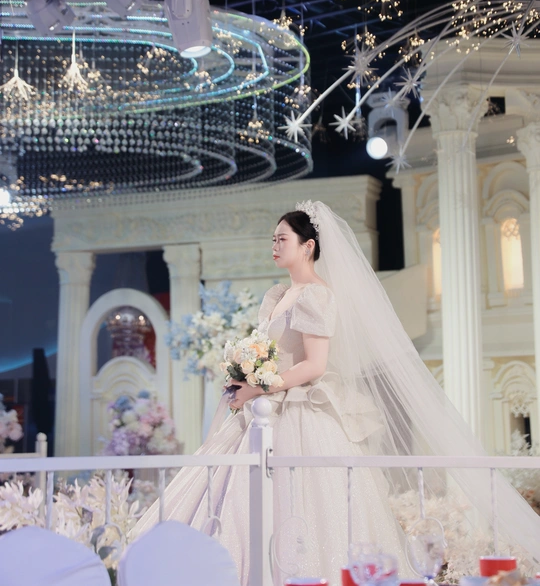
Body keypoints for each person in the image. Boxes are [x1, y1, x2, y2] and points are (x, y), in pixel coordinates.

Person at [134, 200, 540, 585]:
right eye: (273, 239)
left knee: (305, 505)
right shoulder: (277, 296)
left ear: (308, 246)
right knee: (233, 496)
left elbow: (315, 365)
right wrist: (247, 378)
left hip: (300, 413)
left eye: (282, 239)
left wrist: (258, 385)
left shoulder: (317, 295)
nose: (274, 246)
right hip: (264, 410)